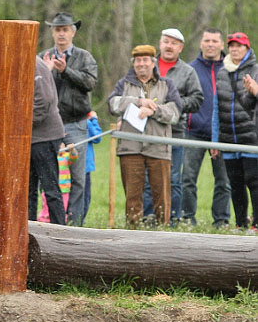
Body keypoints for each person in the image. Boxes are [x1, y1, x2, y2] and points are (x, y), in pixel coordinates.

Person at [107, 45, 181, 227]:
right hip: (130, 148)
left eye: (145, 60)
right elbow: (112, 104)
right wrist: (138, 102)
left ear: (153, 62)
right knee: (132, 195)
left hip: (159, 148)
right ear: (133, 64)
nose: (142, 64)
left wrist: (153, 110)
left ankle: (162, 230)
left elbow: (176, 113)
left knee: (162, 194)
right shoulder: (123, 84)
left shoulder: (167, 85)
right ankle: (133, 230)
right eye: (138, 60)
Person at [39, 12, 98, 225]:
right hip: (47, 126)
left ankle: (75, 223)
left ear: (73, 32)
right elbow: (33, 86)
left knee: (78, 178)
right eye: (57, 29)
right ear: (52, 32)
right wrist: (47, 71)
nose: (61, 33)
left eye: (65, 29)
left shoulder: (85, 57)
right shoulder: (42, 57)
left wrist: (66, 71)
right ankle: (53, 221)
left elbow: (90, 83)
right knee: (49, 176)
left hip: (76, 123)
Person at [141, 28, 203, 224]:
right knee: (148, 178)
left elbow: (197, 99)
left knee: (174, 178)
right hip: (147, 130)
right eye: (166, 41)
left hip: (174, 131)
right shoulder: (147, 65)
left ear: (181, 48)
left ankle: (172, 217)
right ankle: (149, 216)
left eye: (174, 43)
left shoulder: (187, 71)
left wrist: (173, 105)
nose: (169, 46)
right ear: (160, 43)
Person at [184, 29, 231, 227]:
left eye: (214, 41)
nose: (210, 44)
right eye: (206, 40)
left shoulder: (230, 69)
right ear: (201, 43)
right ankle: (187, 217)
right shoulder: (190, 69)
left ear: (222, 45)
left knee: (224, 181)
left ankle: (221, 219)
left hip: (222, 134)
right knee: (187, 178)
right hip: (193, 132)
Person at [212, 32, 258, 231]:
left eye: (239, 46)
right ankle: (240, 223)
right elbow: (216, 107)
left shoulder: (255, 70)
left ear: (247, 49)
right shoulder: (223, 72)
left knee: (254, 181)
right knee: (235, 183)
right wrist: (215, 140)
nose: (234, 49)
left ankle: (256, 223)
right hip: (228, 136)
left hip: (251, 135)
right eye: (231, 45)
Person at [30, 55, 67, 224]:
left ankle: (60, 231)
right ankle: (27, 231)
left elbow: (43, 101)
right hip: (29, 138)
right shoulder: (22, 61)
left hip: (44, 136)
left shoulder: (35, 64)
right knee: (28, 190)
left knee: (50, 188)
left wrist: (20, 124)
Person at [38, 143, 77, 222]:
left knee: (63, 206)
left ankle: (61, 220)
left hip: (64, 189)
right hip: (49, 187)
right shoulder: (49, 157)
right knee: (46, 205)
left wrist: (72, 149)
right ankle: (44, 219)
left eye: (61, 145)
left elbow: (74, 158)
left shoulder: (65, 156)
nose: (59, 147)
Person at [82, 111, 103, 222]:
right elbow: (97, 137)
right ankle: (81, 218)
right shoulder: (87, 122)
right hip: (85, 165)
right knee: (85, 195)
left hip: (71, 164)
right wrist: (94, 119)